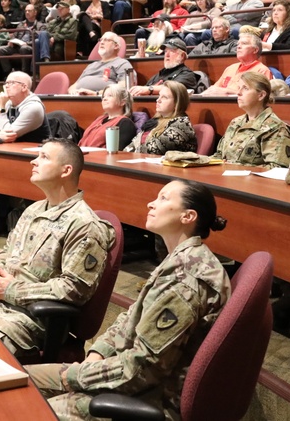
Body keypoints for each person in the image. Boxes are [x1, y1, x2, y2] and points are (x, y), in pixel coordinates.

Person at [25, 179, 229, 421]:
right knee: (18, 378)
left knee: (25, 407)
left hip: (148, 396)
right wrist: (98, 353)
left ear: (188, 216)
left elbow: (142, 368)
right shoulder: (181, 258)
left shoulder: (186, 280)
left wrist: (75, 376)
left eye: (164, 199)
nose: (151, 203)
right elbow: (130, 317)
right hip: (124, 373)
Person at [0, 139, 115, 357]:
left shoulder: (85, 225)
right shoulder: (33, 210)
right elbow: (6, 253)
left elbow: (72, 289)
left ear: (66, 170)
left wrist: (12, 290)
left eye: (44, 157)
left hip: (29, 321)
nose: (33, 161)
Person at [214, 72, 290, 169]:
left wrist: (235, 167)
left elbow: (277, 168)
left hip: (253, 182)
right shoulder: (235, 122)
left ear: (261, 95)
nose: (238, 93)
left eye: (245, 88)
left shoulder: (275, 128)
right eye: (239, 88)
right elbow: (219, 156)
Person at [124, 80, 197, 155]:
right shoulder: (154, 122)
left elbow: (154, 149)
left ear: (177, 103)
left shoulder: (182, 124)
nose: (158, 100)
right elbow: (130, 147)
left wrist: (134, 149)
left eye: (164, 97)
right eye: (159, 96)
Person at [0, 71, 49, 143]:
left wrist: (1, 109)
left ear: (24, 87)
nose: (6, 86)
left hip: (34, 152)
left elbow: (9, 135)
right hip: (13, 149)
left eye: (11, 83)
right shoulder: (7, 103)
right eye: (6, 83)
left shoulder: (34, 107)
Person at [202, 32, 273, 96]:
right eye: (238, 44)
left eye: (244, 43)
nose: (238, 47)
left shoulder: (262, 71)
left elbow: (259, 95)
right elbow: (215, 89)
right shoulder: (230, 68)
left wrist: (228, 91)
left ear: (255, 50)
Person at [67, 33, 133, 95]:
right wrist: (72, 91)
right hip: (78, 98)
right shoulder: (91, 65)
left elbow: (123, 88)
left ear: (116, 46)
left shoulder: (122, 64)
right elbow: (73, 86)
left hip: (101, 100)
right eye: (101, 40)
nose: (101, 42)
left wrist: (96, 94)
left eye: (106, 40)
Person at [129, 38, 198, 95]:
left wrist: (149, 89)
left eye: (171, 51)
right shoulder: (162, 73)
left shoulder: (187, 75)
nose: (167, 55)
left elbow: (172, 89)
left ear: (182, 56)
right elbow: (145, 88)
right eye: (165, 51)